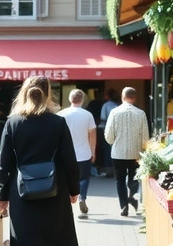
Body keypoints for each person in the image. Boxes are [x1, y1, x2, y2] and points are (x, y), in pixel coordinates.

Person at [0, 75, 80, 246]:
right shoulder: (58, 122)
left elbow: (5, 164)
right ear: (47, 94)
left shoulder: (13, 123)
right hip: (56, 192)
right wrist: (74, 190)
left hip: (23, 196)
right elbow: (70, 159)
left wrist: (2, 195)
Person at [104, 86, 150, 217]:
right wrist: (143, 149)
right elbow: (145, 137)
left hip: (118, 153)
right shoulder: (141, 113)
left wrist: (113, 142)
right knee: (134, 178)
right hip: (136, 153)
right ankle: (132, 196)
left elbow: (108, 135)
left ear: (122, 97)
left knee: (119, 180)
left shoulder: (114, 112)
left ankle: (123, 206)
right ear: (134, 98)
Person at [58, 89, 96, 218]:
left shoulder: (61, 115)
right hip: (84, 153)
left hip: (65, 154)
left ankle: (65, 202)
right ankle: (82, 198)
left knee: (64, 179)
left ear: (70, 99)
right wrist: (93, 151)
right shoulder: (87, 115)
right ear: (82, 100)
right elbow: (92, 134)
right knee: (84, 178)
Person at [97, 88, 119, 176]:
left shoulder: (106, 105)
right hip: (116, 130)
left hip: (106, 129)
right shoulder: (118, 105)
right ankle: (115, 169)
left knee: (106, 150)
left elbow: (103, 118)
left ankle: (108, 170)